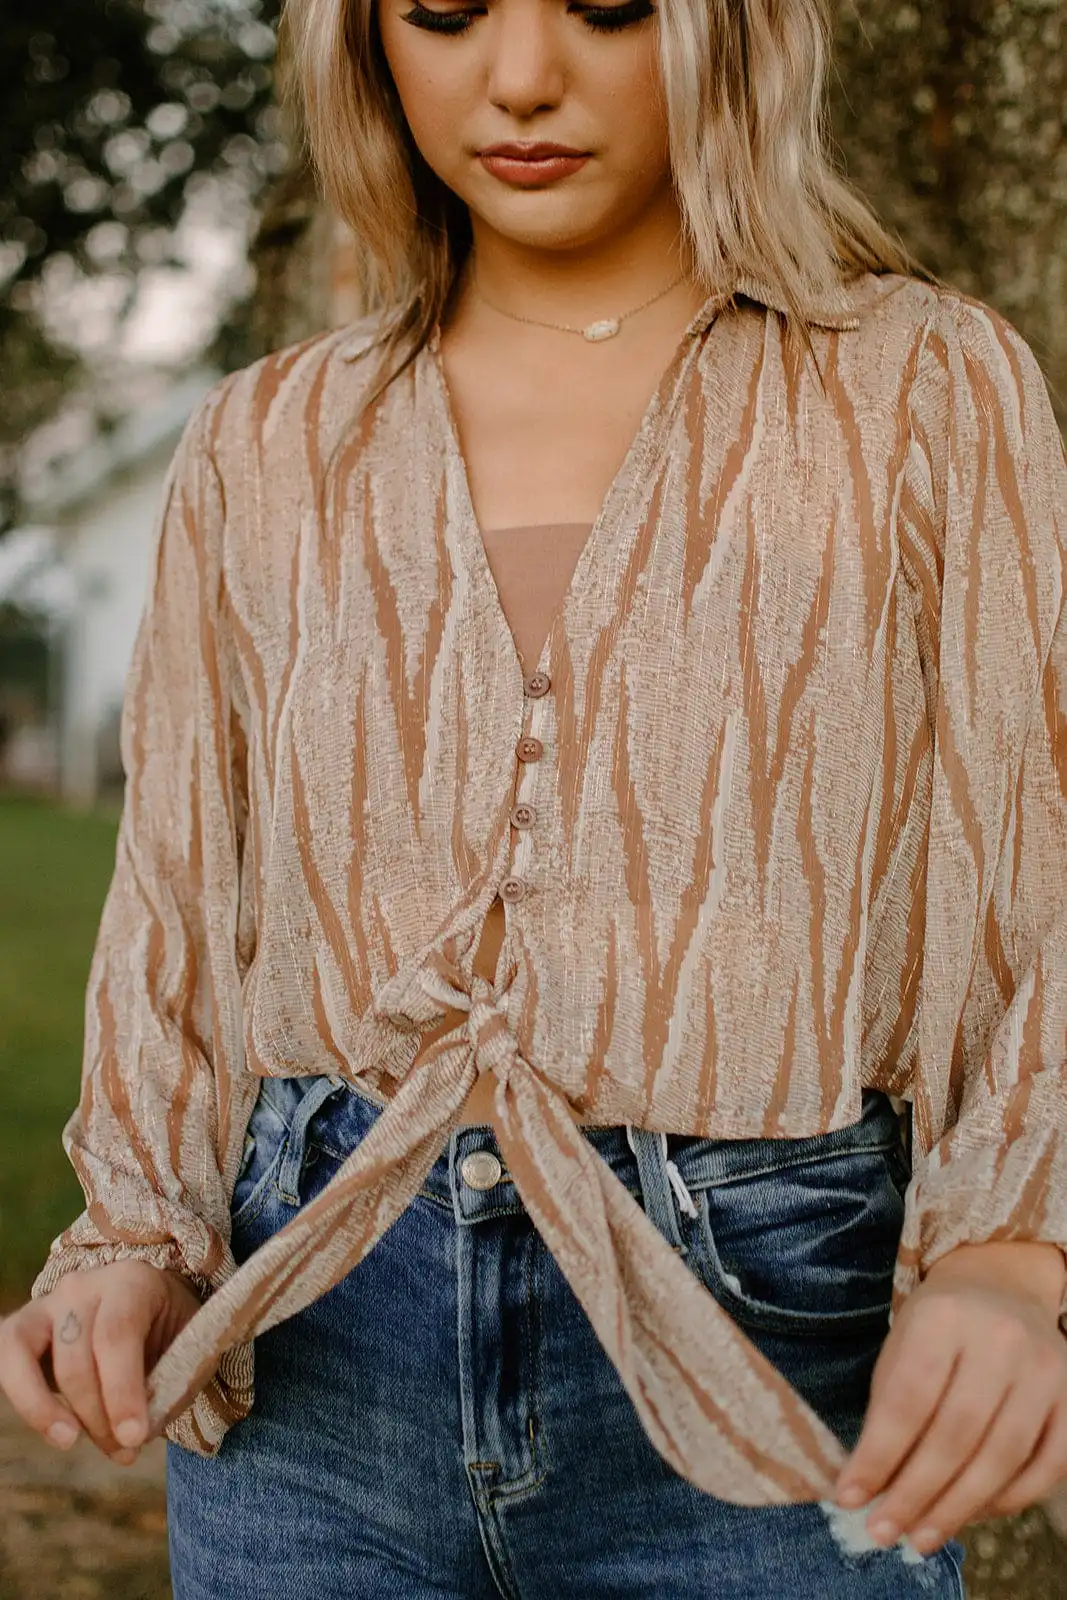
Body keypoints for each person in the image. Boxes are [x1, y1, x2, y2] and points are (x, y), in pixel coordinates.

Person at [3, 0, 1067, 1592]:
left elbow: (1028, 846)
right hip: (315, 1334)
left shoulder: (921, 386)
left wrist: (1006, 1258)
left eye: (608, 9)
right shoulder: (266, 437)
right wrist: (134, 1244)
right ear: (365, 46)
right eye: (441, 14)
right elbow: (184, 885)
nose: (518, 79)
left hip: (770, 1329)